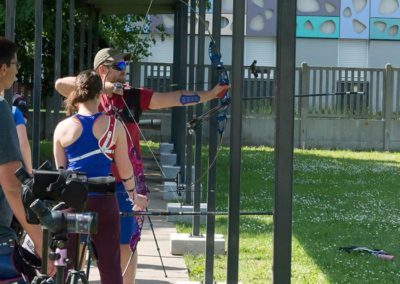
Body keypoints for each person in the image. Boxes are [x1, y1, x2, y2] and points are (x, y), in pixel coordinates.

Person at [55, 48, 229, 283]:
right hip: (86, 186)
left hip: (122, 184)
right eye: (120, 67)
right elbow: (60, 84)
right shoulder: (88, 97)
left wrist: (211, 94)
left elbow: (175, 97)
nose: (125, 72)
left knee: (125, 243)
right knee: (76, 248)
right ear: (103, 70)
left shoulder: (133, 96)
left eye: (125, 67)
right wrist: (104, 88)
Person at [53, 70, 147, 284]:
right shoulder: (114, 126)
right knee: (110, 264)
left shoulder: (62, 128)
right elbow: (125, 169)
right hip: (103, 201)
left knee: (63, 260)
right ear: (100, 95)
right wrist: (134, 196)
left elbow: (62, 171)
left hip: (72, 202)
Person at [0, 36, 55, 282]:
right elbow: (11, 185)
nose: (17, 70)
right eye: (15, 64)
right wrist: (42, 245)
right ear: (3, 68)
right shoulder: (1, 109)